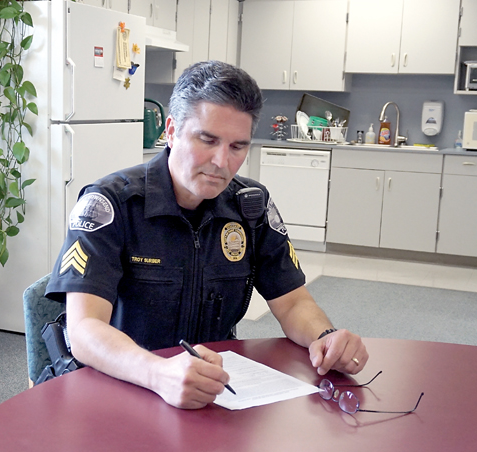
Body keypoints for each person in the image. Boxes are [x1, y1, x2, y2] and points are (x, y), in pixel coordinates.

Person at [45, 60, 368, 409]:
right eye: (207, 139)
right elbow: (84, 330)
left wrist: (326, 337)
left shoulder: (251, 208)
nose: (221, 161)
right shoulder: (111, 204)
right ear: (171, 130)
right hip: (124, 385)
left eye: (237, 147)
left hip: (213, 392)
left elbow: (292, 302)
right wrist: (159, 373)